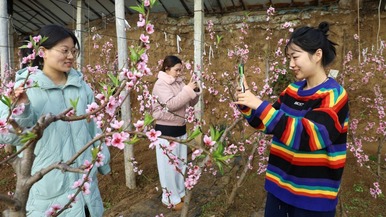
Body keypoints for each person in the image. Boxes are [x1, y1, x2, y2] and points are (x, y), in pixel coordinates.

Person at [235, 21, 349, 217]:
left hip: (312, 199)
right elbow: (268, 123)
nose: (291, 64)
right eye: (289, 58)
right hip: (278, 189)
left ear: (317, 55)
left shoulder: (334, 95)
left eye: (295, 57)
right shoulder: (292, 90)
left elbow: (308, 135)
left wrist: (260, 105)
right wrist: (247, 104)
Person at [4, 24, 111, 217]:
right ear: (43, 51)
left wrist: (101, 161)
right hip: (50, 188)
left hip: (84, 184)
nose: (70, 56)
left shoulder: (81, 86)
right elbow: (8, 136)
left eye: (74, 51)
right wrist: (23, 108)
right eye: (64, 50)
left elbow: (94, 128)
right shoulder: (24, 88)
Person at [151, 55, 201, 211]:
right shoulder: (161, 85)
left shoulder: (179, 83)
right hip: (166, 132)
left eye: (181, 70)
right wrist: (187, 90)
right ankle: (169, 199)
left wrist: (195, 91)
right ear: (167, 69)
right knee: (168, 167)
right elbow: (171, 105)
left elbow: (188, 102)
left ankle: (179, 193)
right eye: (177, 70)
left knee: (179, 164)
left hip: (180, 129)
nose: (179, 73)